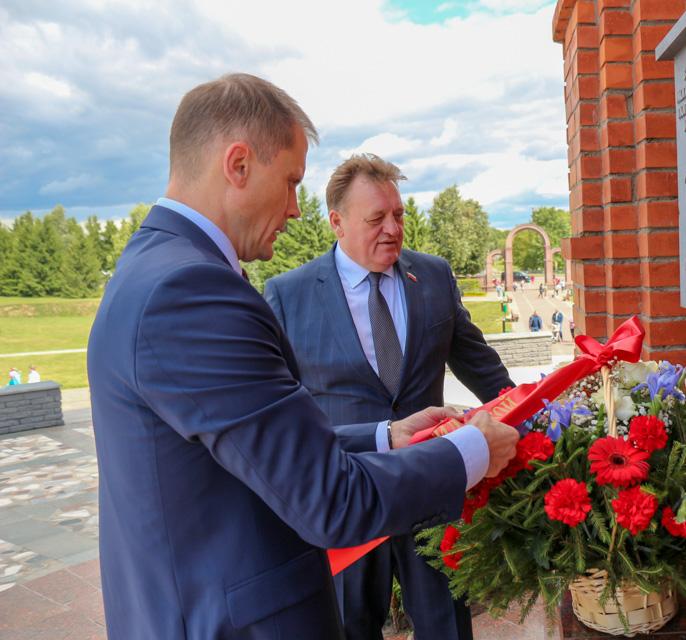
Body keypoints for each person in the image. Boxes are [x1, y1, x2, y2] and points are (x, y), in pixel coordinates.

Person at [86, 73, 518, 640]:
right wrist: (470, 451)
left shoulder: (155, 265)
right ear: (237, 164)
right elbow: (328, 500)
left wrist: (386, 435)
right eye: (290, 181)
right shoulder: (192, 291)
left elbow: (251, 442)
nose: (295, 209)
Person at [264, 154, 515, 640]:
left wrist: (535, 419)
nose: (393, 229)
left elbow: (486, 370)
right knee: (349, 629)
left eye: (397, 215)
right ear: (336, 222)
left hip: (433, 493)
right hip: (349, 498)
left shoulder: (435, 277)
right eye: (375, 218)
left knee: (448, 626)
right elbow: (281, 411)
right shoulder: (288, 295)